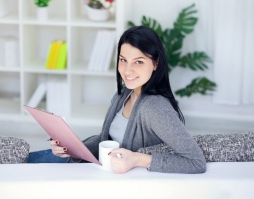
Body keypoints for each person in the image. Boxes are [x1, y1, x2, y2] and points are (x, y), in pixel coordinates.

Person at [27, 26, 206, 174]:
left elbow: (196, 161)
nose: (127, 71)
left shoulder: (155, 108)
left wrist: (137, 159)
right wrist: (72, 148)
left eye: (138, 62)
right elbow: (106, 141)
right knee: (23, 162)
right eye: (123, 60)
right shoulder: (124, 94)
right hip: (100, 167)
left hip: (121, 182)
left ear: (156, 63)